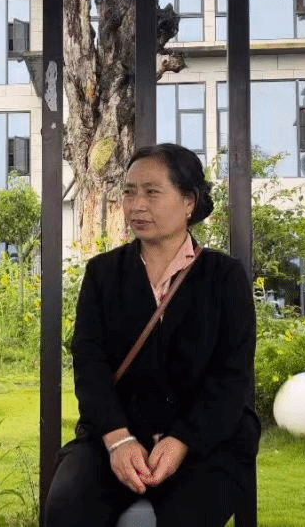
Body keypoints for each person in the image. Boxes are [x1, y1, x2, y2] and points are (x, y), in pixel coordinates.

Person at [44, 143, 260, 527]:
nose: (136, 205)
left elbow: (231, 375)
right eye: (129, 192)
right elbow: (90, 364)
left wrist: (182, 440)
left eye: (152, 192)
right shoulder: (103, 274)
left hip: (205, 442)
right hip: (116, 436)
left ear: (189, 201)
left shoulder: (224, 277)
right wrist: (118, 439)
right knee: (67, 508)